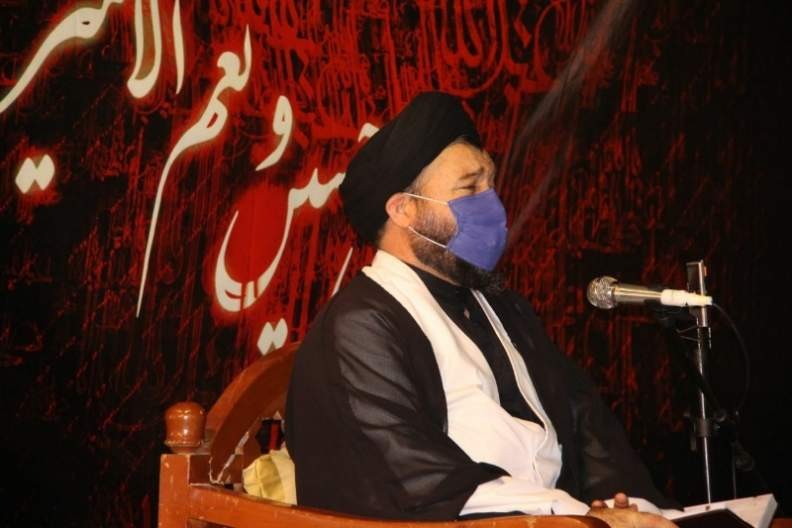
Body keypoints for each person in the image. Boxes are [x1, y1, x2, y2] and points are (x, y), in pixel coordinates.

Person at [285, 91, 678, 527]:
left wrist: (623, 507)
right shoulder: (358, 330)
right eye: (470, 188)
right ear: (404, 210)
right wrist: (579, 519)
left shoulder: (501, 305)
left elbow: (583, 423)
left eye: (490, 183)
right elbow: (417, 483)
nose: (493, 204)